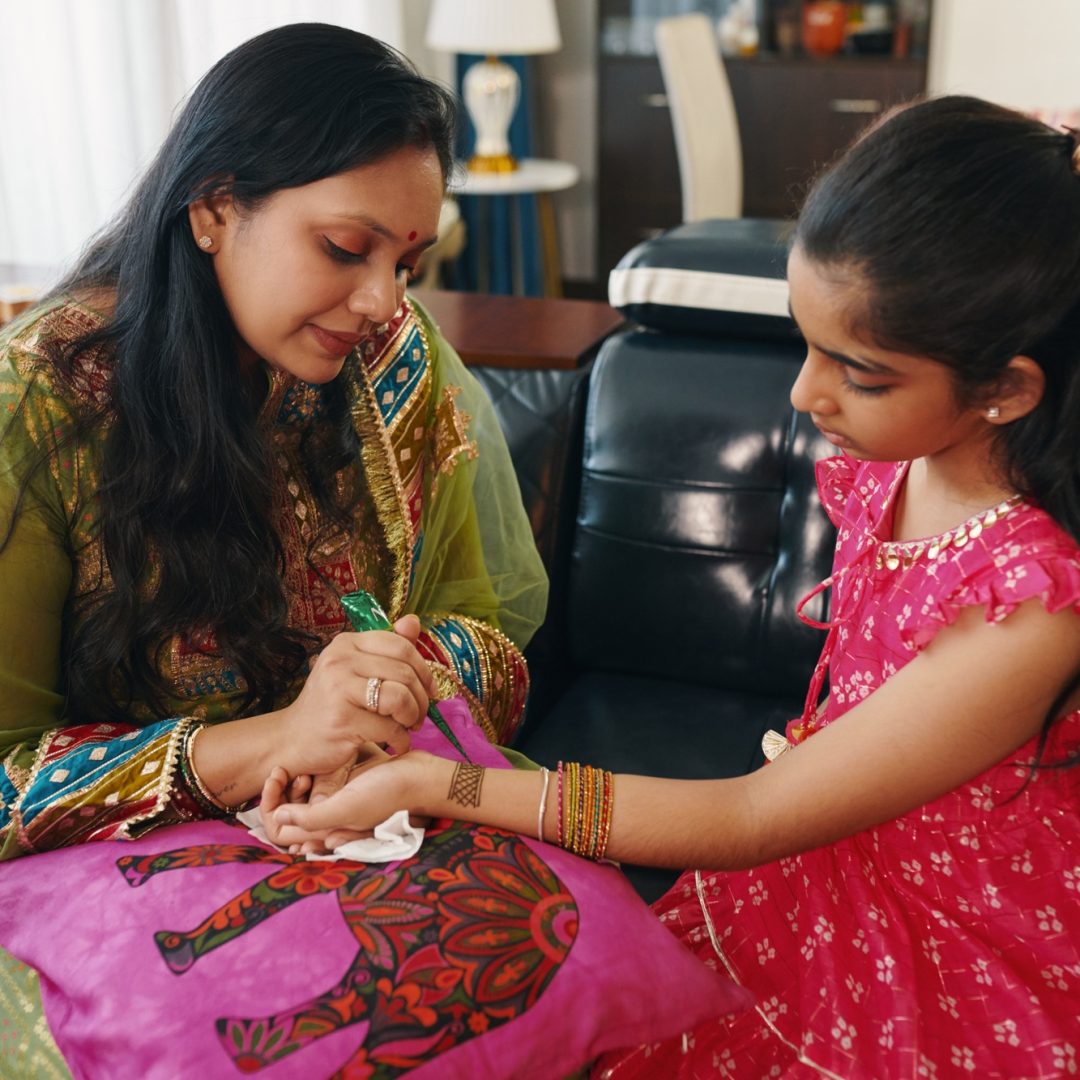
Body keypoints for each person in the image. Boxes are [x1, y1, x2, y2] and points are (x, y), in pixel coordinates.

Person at [263, 96, 1080, 1076]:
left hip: (944, 930)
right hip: (820, 836)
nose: (803, 395)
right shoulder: (903, 454)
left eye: (857, 372)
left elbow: (750, 819)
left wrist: (432, 781)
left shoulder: (1030, 607)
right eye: (803, 341)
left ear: (1010, 388)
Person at [0, 25, 547, 861]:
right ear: (215, 209)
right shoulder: (40, 405)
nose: (378, 300)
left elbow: (489, 642)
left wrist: (376, 716)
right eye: (343, 248)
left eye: (407, 263)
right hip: (124, 883)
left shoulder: (397, 359)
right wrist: (276, 742)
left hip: (371, 821)